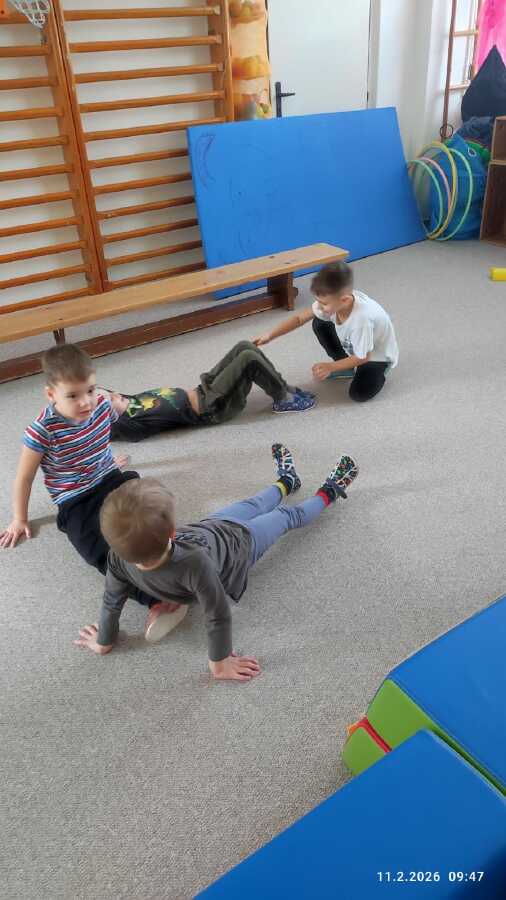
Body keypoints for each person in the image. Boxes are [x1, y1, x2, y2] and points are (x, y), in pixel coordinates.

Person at [74, 444, 359, 682]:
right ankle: (329, 491)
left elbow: (112, 600)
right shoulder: (194, 563)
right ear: (172, 532)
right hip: (241, 545)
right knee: (287, 517)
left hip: (212, 526)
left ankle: (287, 481)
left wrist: (104, 641)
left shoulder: (116, 558)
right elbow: (217, 613)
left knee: (255, 503)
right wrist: (219, 663)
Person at [102, 340, 316, 443]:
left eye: (106, 391)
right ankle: (283, 399)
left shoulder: (128, 399)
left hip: (204, 388)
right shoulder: (131, 422)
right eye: (109, 399)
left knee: (244, 346)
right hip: (212, 407)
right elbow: (103, 431)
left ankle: (283, 387)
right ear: (107, 414)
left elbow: (95, 391)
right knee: (248, 359)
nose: (114, 394)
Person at [253, 261, 399, 402]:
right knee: (320, 322)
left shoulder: (362, 320)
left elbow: (363, 357)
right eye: (318, 301)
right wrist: (270, 335)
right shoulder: (336, 302)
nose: (319, 306)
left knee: (359, 394)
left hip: (375, 357)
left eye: (324, 303)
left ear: (345, 300)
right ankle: (345, 367)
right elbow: (299, 319)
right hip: (357, 347)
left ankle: (380, 370)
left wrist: (331, 367)